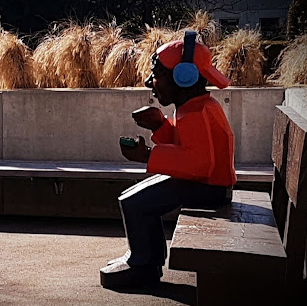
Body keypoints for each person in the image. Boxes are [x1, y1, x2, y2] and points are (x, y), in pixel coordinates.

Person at [100, 30, 237, 289]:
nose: (149, 82)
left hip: (209, 189)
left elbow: (199, 163)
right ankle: (146, 260)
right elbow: (182, 145)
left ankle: (143, 265)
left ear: (184, 78)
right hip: (205, 185)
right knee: (133, 198)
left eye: (158, 76)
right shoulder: (192, 107)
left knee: (136, 203)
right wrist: (159, 126)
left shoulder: (197, 112)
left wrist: (148, 156)